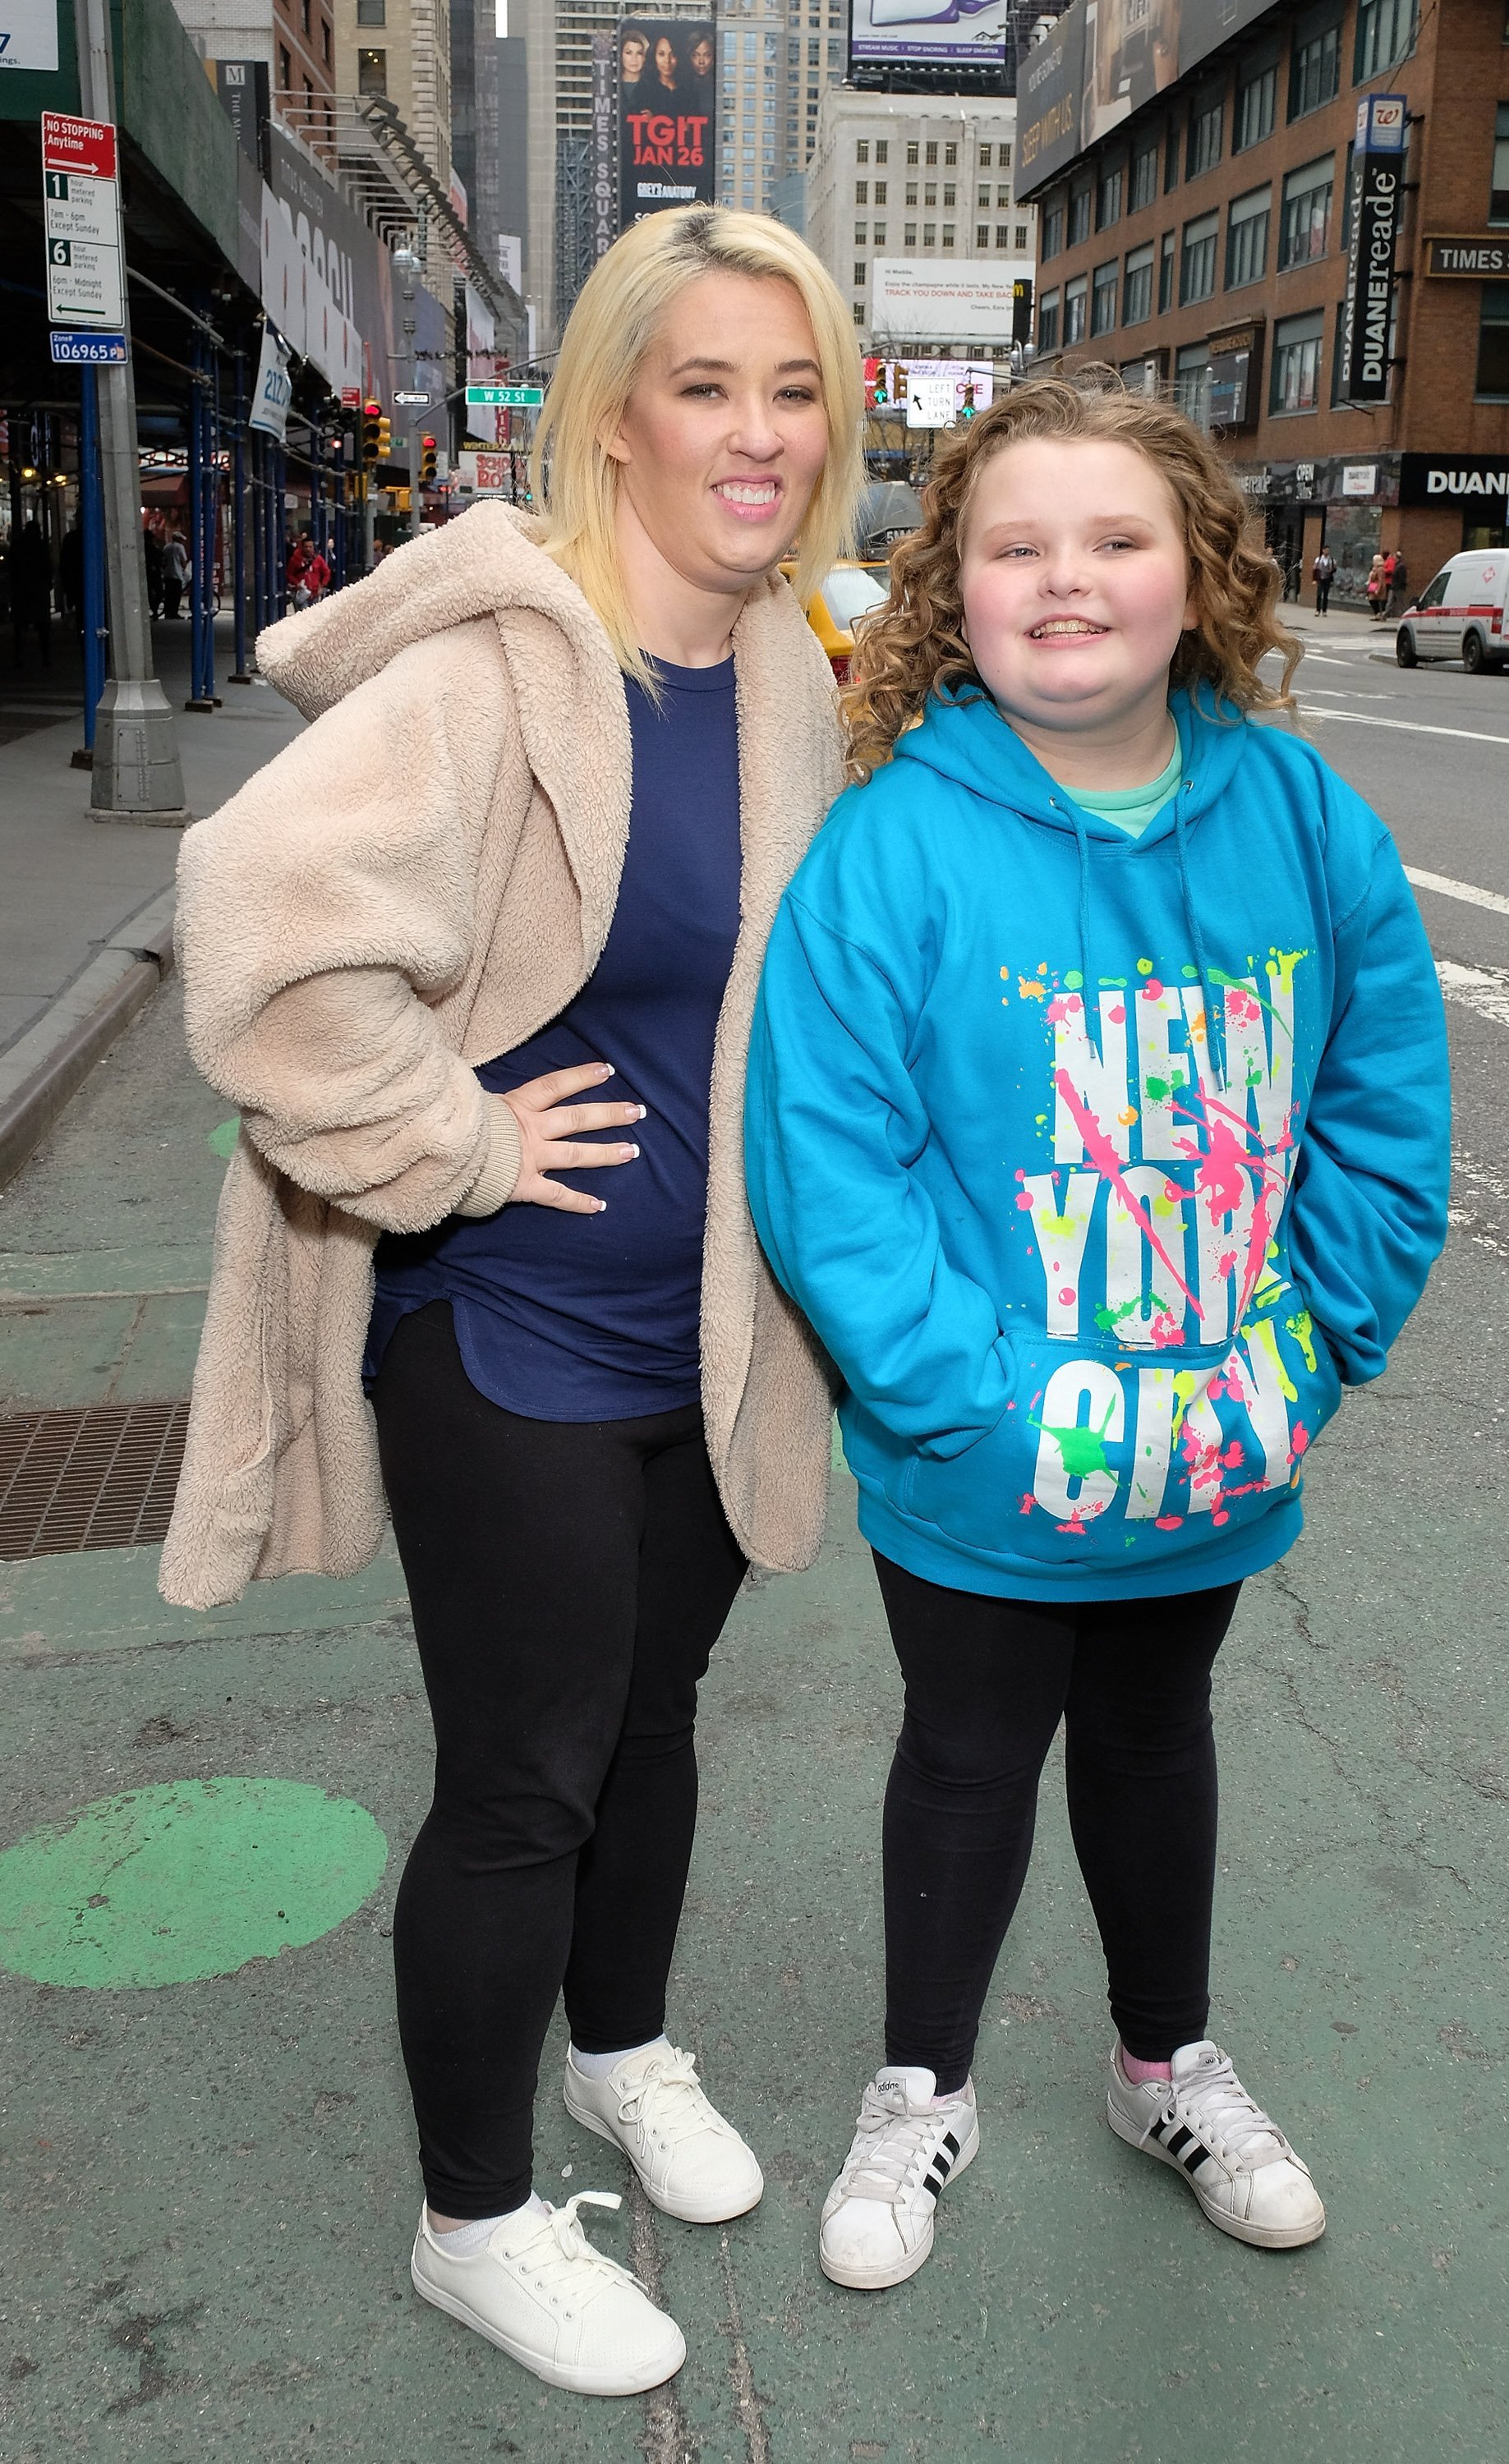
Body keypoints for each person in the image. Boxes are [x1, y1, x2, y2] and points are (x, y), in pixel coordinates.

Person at [159, 206, 862, 2396]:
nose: (756, 435)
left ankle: (619, 2052)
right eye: (706, 388)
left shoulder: (778, 671)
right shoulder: (499, 663)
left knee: (651, 1729)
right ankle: (473, 2220)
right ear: (615, 422)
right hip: (513, 1331)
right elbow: (253, 920)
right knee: (527, 1774)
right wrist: (452, 1144)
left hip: (708, 1334)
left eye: (794, 386)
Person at [747, 375, 1449, 2293]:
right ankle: (920, 2084)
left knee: (1155, 1726)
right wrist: (970, 1399)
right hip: (984, 1455)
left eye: (1115, 538)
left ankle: (1165, 2065)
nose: (1066, 578)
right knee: (967, 1747)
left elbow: (1383, 1087)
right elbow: (827, 1153)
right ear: (950, 589)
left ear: (1194, 575)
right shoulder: (892, 843)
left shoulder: (1297, 810)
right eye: (1014, 544)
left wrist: (1308, 1344)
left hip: (1221, 1434)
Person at [10, 519, 53, 668]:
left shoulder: (17, 545)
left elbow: (12, 568)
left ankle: (19, 657)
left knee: (20, 627)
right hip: (38, 590)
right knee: (43, 628)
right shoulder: (41, 546)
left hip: (21, 590)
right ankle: (45, 658)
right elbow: (48, 567)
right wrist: (48, 584)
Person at [161, 528, 190, 620]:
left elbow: (163, 561)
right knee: (176, 595)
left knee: (168, 595)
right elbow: (184, 561)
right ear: (178, 539)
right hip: (177, 574)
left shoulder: (166, 547)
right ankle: (174, 613)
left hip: (167, 574)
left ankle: (167, 613)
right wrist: (184, 569)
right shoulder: (180, 547)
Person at [144, 522, 163, 617]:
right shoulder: (150, 549)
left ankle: (154, 609)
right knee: (157, 592)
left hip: (152, 573)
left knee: (154, 593)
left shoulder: (152, 549)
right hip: (152, 573)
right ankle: (154, 609)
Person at [1311, 544, 1335, 615]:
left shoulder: (1331, 560)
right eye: (1326, 550)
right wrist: (1314, 579)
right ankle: (1318, 610)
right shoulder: (1319, 559)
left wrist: (1331, 570)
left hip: (1327, 579)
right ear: (1323, 550)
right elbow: (1314, 568)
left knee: (1326, 595)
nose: (1327, 552)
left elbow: (1333, 568)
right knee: (1319, 594)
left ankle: (1324, 611)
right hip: (1320, 579)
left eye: (1328, 550)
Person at [1365, 549, 1386, 620]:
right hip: (1373, 585)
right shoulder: (1376, 568)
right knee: (1372, 599)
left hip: (1376, 586)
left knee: (1373, 600)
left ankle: (1378, 614)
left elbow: (1381, 580)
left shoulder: (1380, 569)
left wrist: (1378, 589)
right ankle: (1377, 614)